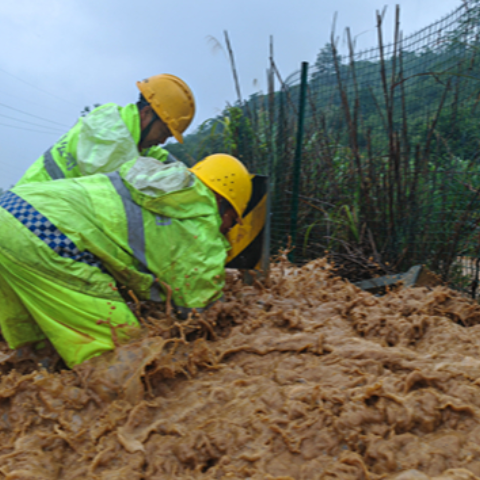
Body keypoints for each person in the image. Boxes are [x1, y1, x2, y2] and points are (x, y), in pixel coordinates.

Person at [0, 154, 252, 368]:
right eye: (232, 220)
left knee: (36, 353)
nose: (227, 230)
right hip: (43, 232)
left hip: (9, 210)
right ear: (222, 202)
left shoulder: (164, 184)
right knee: (124, 358)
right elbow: (200, 311)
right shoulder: (202, 221)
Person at [16, 74, 195, 186]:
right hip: (35, 210)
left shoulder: (113, 115)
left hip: (30, 196)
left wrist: (187, 173)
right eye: (163, 133)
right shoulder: (114, 149)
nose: (163, 141)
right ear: (147, 113)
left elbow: (153, 153)